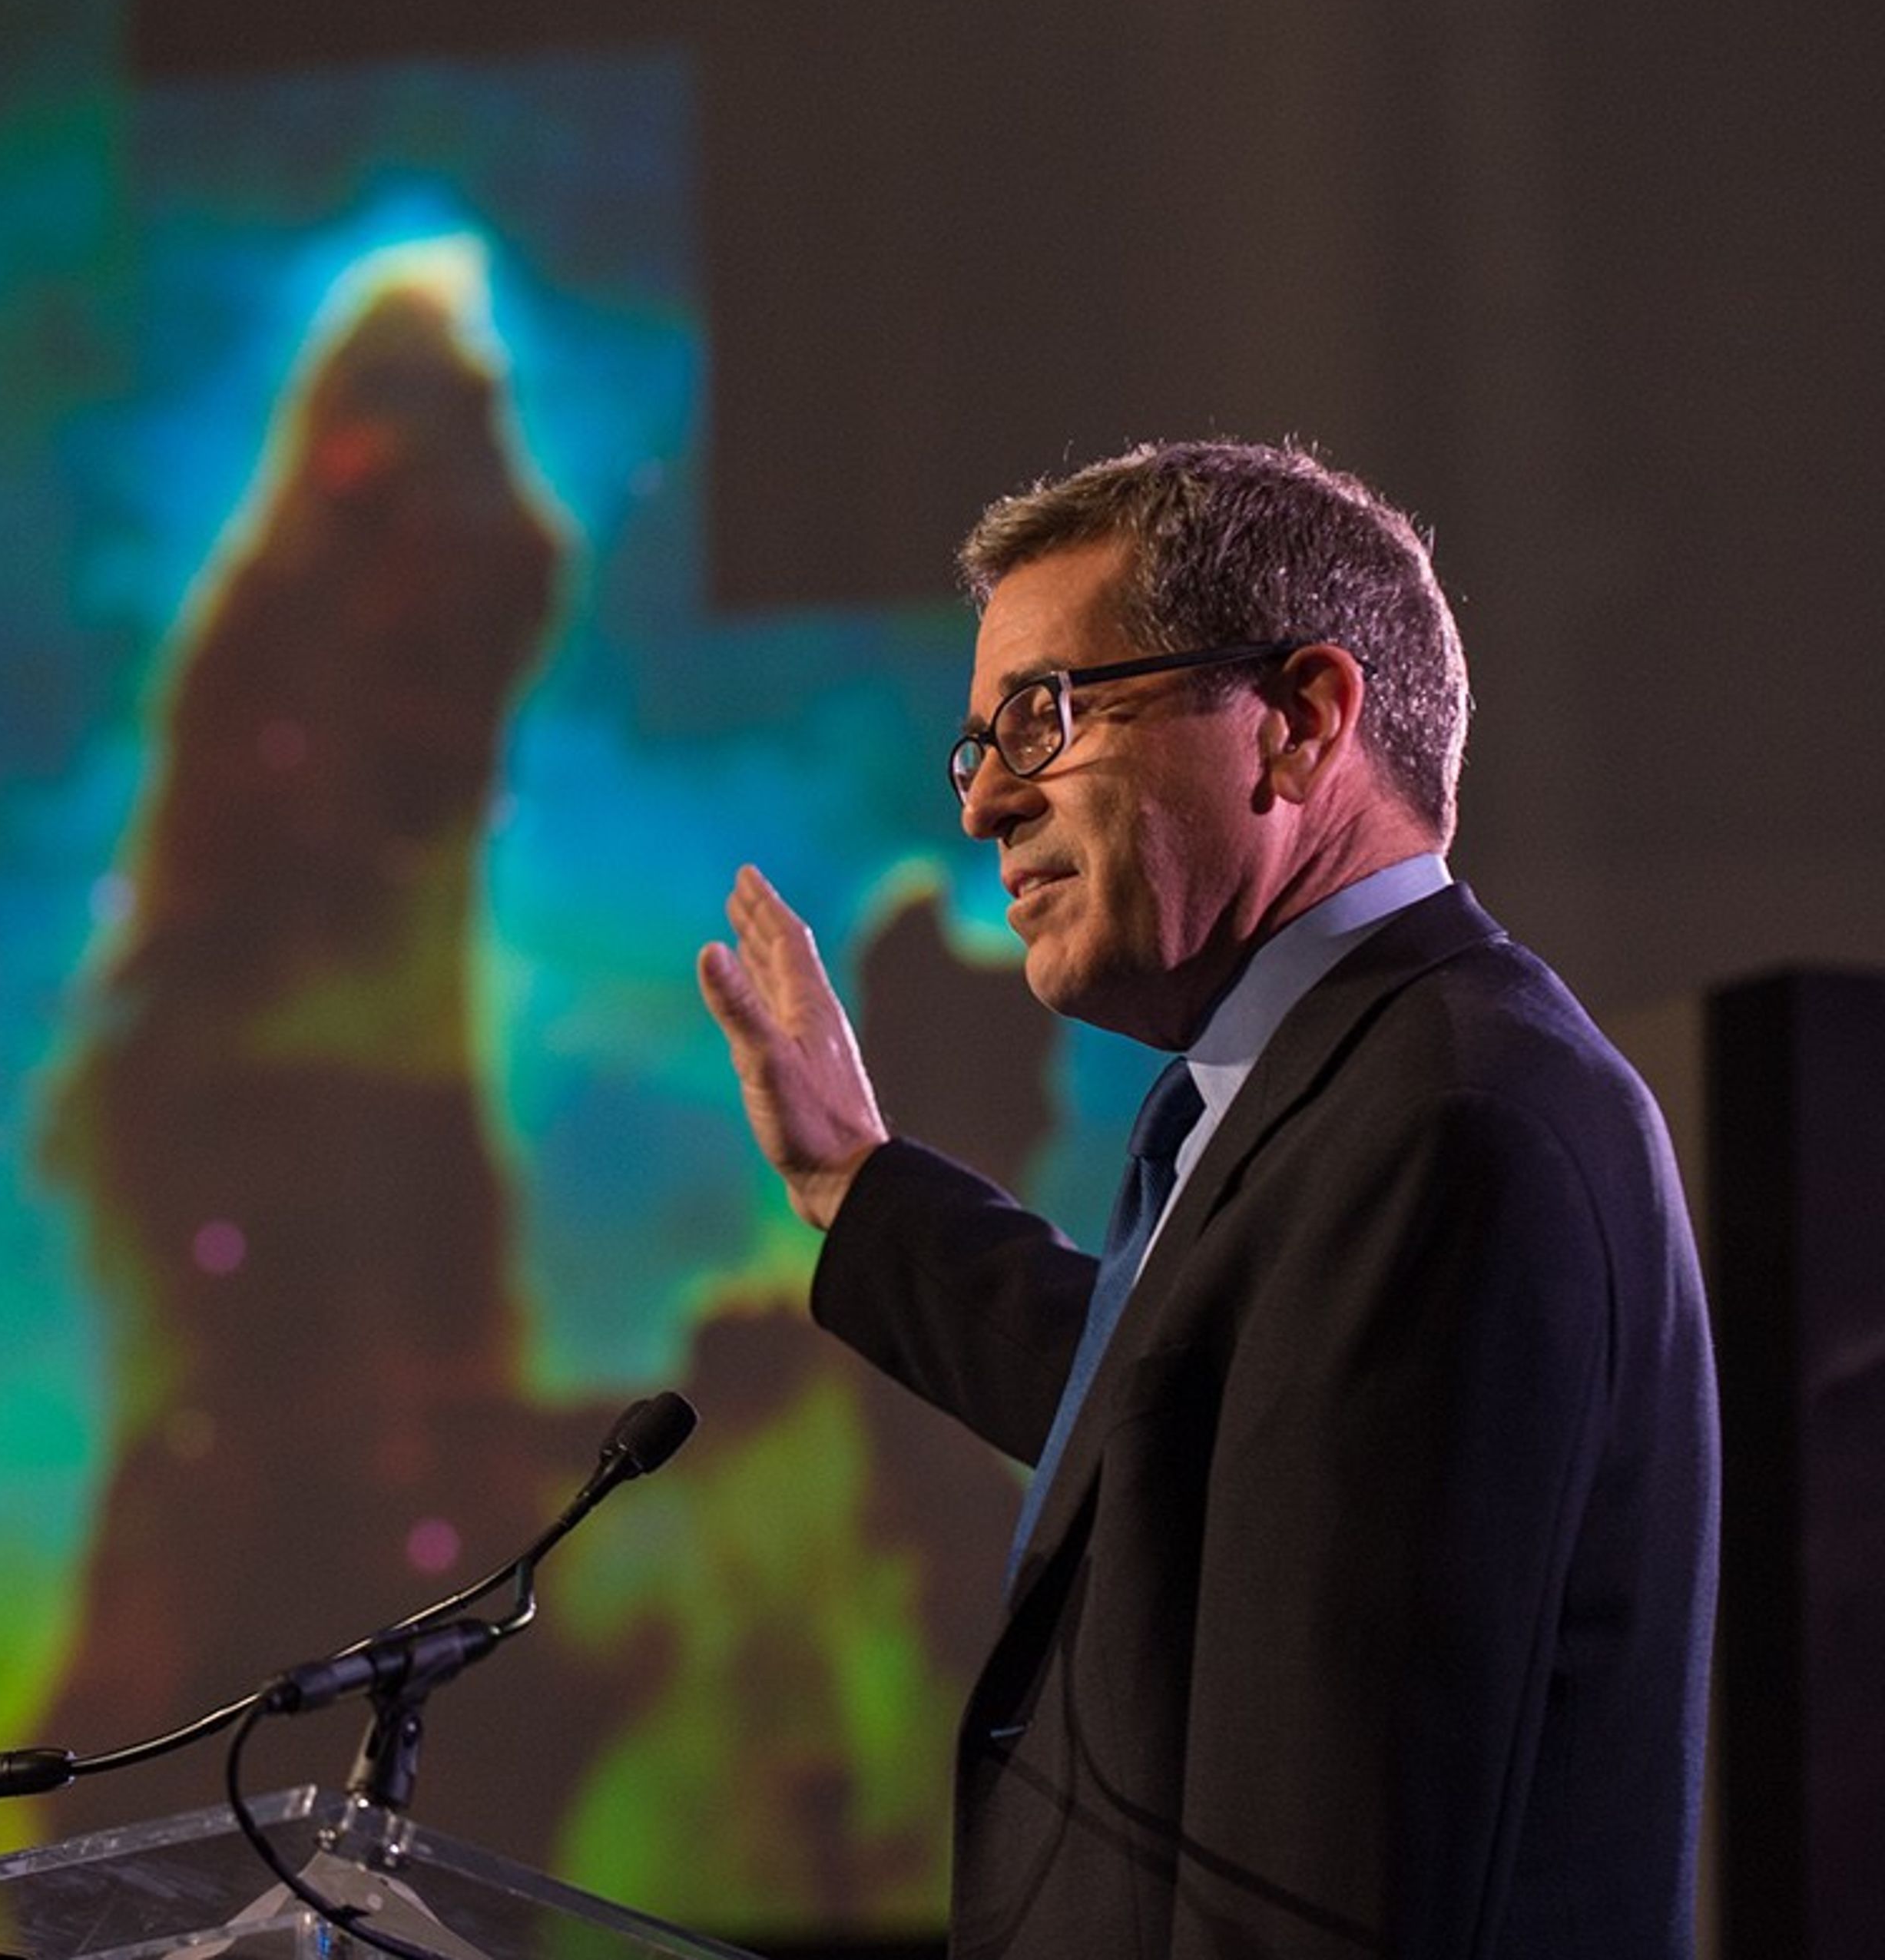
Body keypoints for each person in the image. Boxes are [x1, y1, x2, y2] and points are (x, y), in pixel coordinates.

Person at [699, 439, 1717, 1958]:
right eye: (978, 746)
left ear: (1299, 723)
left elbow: (1321, 1855)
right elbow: (1177, 1434)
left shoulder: (1446, 1117)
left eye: (1043, 720)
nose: (986, 806)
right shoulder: (1356, 1090)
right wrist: (858, 1187)